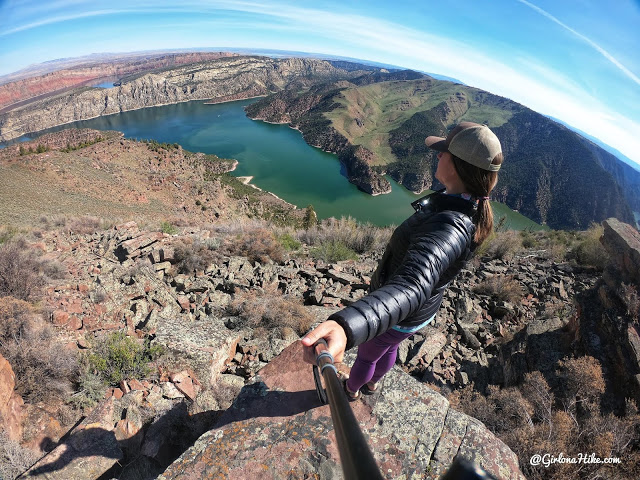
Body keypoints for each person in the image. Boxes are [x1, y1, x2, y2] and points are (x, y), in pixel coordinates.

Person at [302, 121, 503, 399]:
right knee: (389, 347)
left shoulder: (450, 226)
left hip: (400, 311)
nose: (438, 155)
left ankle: (350, 389)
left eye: (443, 152)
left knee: (366, 357)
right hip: (416, 315)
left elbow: (412, 284)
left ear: (456, 166)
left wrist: (348, 326)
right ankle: (372, 384)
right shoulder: (466, 207)